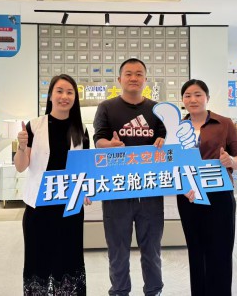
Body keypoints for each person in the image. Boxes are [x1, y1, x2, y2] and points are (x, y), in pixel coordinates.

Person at [93, 58, 166, 296]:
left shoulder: (156, 110)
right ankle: (119, 291)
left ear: (145, 79)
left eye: (139, 74)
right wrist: (110, 145)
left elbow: (166, 141)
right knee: (118, 250)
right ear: (119, 79)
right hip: (116, 189)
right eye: (128, 74)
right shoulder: (106, 107)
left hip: (150, 188)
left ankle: (154, 290)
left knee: (152, 249)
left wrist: (163, 141)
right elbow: (98, 140)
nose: (134, 78)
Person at [15, 74, 90, 295]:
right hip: (39, 208)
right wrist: (21, 147)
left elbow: (85, 168)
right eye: (59, 91)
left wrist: (86, 190)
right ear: (50, 96)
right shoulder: (35, 126)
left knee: (69, 261)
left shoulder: (81, 129)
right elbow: (21, 166)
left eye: (70, 92)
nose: (64, 96)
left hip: (70, 209)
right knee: (38, 261)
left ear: (75, 98)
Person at [177, 79, 237, 296]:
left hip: (219, 194)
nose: (193, 99)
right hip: (188, 196)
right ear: (182, 100)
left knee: (220, 251)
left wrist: (230, 161)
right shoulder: (176, 128)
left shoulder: (224, 123)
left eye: (198, 94)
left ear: (207, 97)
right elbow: (171, 163)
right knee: (196, 250)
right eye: (188, 95)